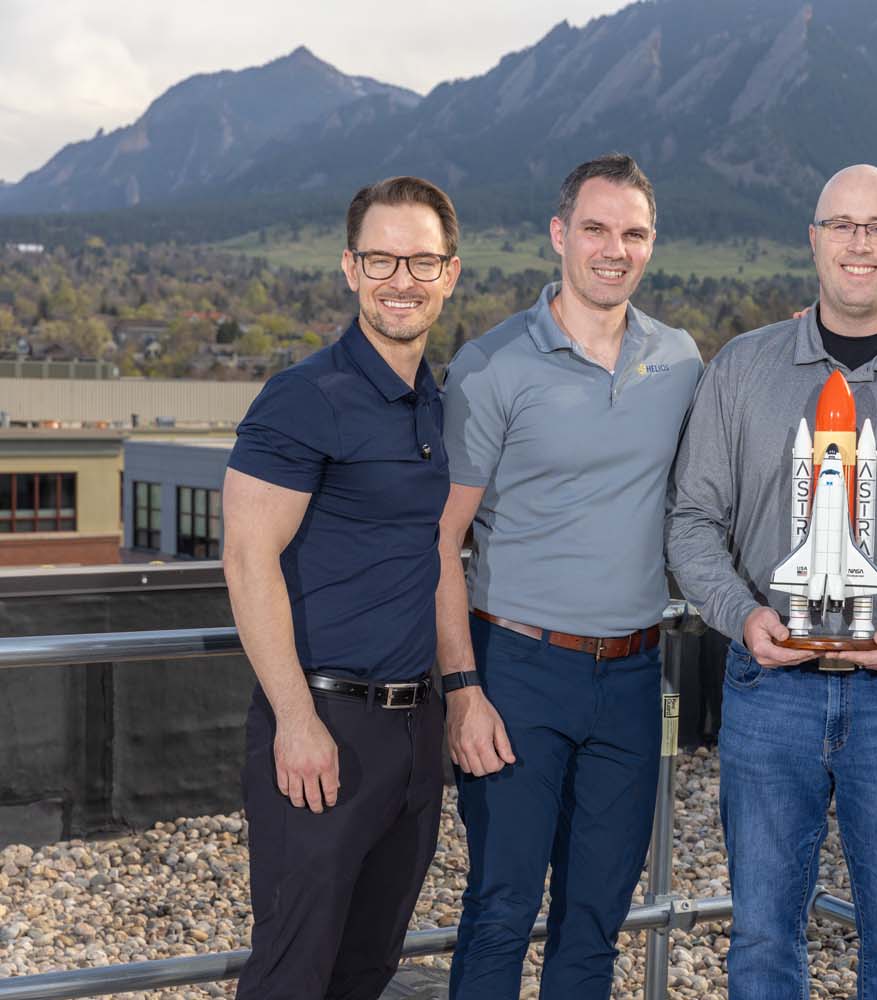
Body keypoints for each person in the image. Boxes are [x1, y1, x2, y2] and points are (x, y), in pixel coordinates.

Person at [667, 164, 877, 999]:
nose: (860, 243)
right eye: (842, 225)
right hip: (769, 690)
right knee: (759, 937)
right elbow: (690, 523)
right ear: (814, 240)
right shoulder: (742, 369)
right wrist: (739, 614)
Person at [437, 153, 702, 1000]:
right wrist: (461, 690)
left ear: (651, 244)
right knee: (501, 909)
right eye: (595, 228)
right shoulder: (491, 367)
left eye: (632, 232)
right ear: (560, 235)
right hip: (517, 672)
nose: (612, 248)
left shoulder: (681, 361)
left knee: (595, 923)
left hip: (631, 676)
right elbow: (440, 543)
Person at [222, 176, 462, 998]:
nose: (404, 278)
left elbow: (435, 553)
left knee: (367, 971)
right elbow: (246, 559)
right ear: (350, 269)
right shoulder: (303, 398)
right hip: (322, 726)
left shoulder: (435, 401)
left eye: (422, 260)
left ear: (450, 274)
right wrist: (295, 720)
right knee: (293, 973)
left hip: (412, 735)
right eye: (383, 258)